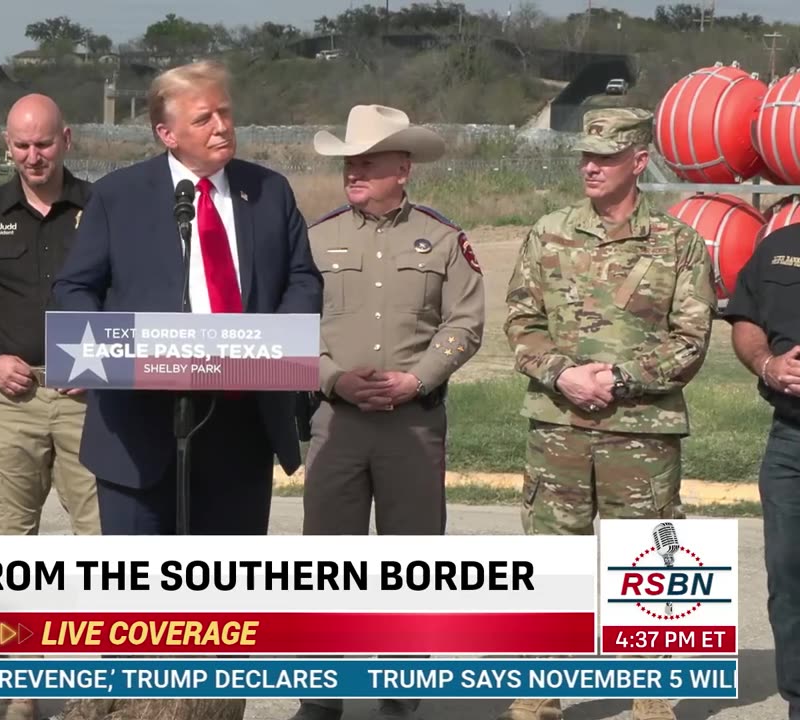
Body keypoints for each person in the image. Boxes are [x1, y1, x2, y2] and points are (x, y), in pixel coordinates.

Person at [500, 108, 716, 720]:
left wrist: (619, 380)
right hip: (558, 425)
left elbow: (690, 340)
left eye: (605, 157)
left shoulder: (678, 242)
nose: (590, 167)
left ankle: (650, 697)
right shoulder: (548, 232)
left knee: (647, 563)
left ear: (639, 162)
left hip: (641, 434)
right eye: (585, 156)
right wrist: (562, 373)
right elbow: (520, 320)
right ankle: (539, 694)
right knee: (551, 560)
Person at [50, 59, 323, 536]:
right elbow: (73, 289)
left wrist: (277, 345)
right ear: (167, 134)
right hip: (139, 432)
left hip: (241, 426)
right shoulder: (119, 197)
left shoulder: (269, 193)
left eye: (225, 112)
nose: (221, 127)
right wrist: (98, 354)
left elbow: (303, 280)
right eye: (203, 118)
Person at [289, 104, 485, 720]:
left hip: (413, 423)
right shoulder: (315, 238)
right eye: (350, 161)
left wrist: (418, 378)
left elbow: (466, 323)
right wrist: (332, 379)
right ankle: (320, 694)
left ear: (403, 167)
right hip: (335, 422)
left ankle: (400, 684)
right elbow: (288, 329)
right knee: (326, 561)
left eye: (369, 161)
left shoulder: (446, 239)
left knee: (411, 557)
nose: (355, 170)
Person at [0, 94, 99, 720]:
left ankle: (94, 687)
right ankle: (22, 689)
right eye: (22, 145)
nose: (34, 156)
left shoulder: (101, 209)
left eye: (45, 143)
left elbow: (131, 294)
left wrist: (106, 363)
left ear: (67, 140)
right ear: (6, 145)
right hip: (15, 394)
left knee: (106, 541)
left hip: (91, 397)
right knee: (11, 548)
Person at [721, 223, 800, 719]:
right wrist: (768, 364)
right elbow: (744, 317)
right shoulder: (780, 249)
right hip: (792, 442)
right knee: (789, 576)